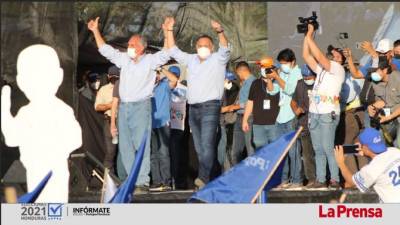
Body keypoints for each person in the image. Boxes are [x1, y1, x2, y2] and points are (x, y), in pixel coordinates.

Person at [87, 17, 171, 193]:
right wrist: (95, 31)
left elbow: (167, 52)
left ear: (141, 47)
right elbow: (105, 50)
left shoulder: (150, 61)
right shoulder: (124, 60)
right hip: (124, 107)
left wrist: (167, 32)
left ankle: (142, 182)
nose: (129, 48)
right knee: (125, 146)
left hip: (141, 106)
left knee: (141, 145)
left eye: (132, 45)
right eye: (129, 45)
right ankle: (130, 180)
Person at [1, 44, 82, 202]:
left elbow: (76, 139)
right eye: (31, 77)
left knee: (54, 209)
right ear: (21, 81)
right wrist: (4, 110)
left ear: (58, 76)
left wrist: (49, 143)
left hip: (55, 171)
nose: (38, 83)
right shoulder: (26, 112)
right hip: (34, 170)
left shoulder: (61, 110)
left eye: (43, 76)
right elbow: (11, 138)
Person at [163, 17, 231, 188]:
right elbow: (172, 50)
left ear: (212, 47)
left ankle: (203, 178)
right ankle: (215, 178)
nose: (203, 48)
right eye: (200, 46)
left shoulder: (218, 59)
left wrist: (220, 31)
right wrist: (169, 31)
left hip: (210, 107)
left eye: (206, 46)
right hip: (193, 108)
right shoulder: (191, 59)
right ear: (196, 47)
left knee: (208, 144)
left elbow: (225, 47)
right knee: (200, 148)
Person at [302, 24, 345, 189]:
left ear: (340, 59)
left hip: (329, 113)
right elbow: (306, 55)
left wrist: (311, 33)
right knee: (318, 149)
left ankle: (334, 179)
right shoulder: (322, 70)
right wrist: (307, 35)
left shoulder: (338, 69)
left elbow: (319, 56)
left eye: (336, 53)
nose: (333, 53)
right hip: (315, 113)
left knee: (327, 148)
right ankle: (321, 180)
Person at [334, 128, 400, 203]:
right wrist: (366, 152)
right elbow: (379, 158)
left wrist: (341, 163)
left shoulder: (372, 169)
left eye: (361, 145)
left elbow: (352, 182)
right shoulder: (395, 151)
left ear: (366, 146)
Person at [270, 48, 303, 189]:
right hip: (280, 116)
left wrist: (277, 77)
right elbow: (272, 91)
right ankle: (283, 179)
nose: (282, 65)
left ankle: (296, 180)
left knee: (293, 150)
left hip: (291, 116)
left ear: (292, 61)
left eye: (284, 63)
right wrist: (269, 79)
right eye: (280, 63)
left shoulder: (298, 72)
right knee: (281, 151)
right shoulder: (282, 72)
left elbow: (290, 90)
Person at [149, 65, 179, 192]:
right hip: (149, 124)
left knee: (163, 153)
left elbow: (174, 80)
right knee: (153, 155)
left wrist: (161, 69)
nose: (154, 77)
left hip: (163, 123)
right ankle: (156, 182)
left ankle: (166, 182)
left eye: (155, 74)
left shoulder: (164, 84)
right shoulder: (146, 87)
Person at [243, 57, 280, 149]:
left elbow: (271, 89)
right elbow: (250, 102)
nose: (262, 69)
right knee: (260, 152)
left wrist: (270, 78)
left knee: (275, 151)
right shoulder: (255, 83)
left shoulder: (278, 82)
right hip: (258, 124)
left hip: (274, 124)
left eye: (265, 67)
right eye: (261, 67)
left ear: (272, 68)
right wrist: (245, 120)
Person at [290, 64, 317, 188]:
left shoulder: (320, 84)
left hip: (319, 124)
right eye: (305, 77)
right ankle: (311, 179)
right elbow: (293, 101)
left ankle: (325, 178)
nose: (307, 79)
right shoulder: (300, 84)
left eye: (309, 77)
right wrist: (296, 109)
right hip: (303, 124)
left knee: (321, 152)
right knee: (307, 154)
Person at [368, 57, 400, 147]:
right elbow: (383, 101)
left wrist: (389, 117)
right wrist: (372, 107)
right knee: (384, 145)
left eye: (375, 71)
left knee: (398, 144)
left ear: (385, 70)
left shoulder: (397, 78)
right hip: (390, 119)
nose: (373, 73)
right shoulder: (376, 82)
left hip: (395, 117)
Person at [230, 61, 256, 166]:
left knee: (250, 149)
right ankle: (237, 175)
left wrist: (235, 106)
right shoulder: (244, 83)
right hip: (239, 117)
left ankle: (253, 176)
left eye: (238, 74)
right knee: (236, 151)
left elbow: (250, 103)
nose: (238, 76)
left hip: (249, 117)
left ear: (242, 71)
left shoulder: (253, 82)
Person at [94, 65, 120, 172]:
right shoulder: (103, 90)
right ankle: (109, 180)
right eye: (112, 76)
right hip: (109, 122)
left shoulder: (125, 87)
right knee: (110, 152)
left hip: (123, 121)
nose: (114, 78)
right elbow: (97, 106)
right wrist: (110, 106)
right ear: (109, 76)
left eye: (116, 76)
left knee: (124, 152)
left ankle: (124, 180)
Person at [168, 65, 188, 190]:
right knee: (166, 154)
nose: (173, 77)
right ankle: (167, 179)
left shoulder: (185, 89)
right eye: (171, 74)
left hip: (178, 126)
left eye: (175, 75)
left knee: (175, 154)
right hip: (165, 125)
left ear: (179, 76)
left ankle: (175, 179)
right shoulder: (163, 87)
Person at [217, 71, 240, 171]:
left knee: (226, 150)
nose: (230, 83)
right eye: (228, 80)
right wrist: (229, 108)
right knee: (223, 151)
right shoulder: (219, 91)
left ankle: (226, 172)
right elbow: (218, 108)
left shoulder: (225, 91)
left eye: (231, 80)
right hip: (220, 124)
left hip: (225, 123)